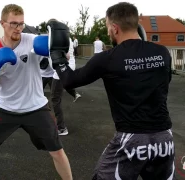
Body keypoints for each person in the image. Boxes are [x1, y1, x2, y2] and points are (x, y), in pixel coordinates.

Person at [44, 2, 174, 180]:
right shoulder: (163, 53)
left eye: (107, 27)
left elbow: (70, 80)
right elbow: (164, 82)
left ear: (115, 28)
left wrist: (57, 57)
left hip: (131, 139)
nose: (107, 32)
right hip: (165, 139)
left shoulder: (108, 59)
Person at [0, 4, 72, 180]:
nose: (18, 28)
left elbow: (60, 54)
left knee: (57, 151)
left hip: (36, 107)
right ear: (2, 23)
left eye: (21, 24)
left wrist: (60, 52)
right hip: (5, 108)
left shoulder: (32, 41)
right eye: (13, 23)